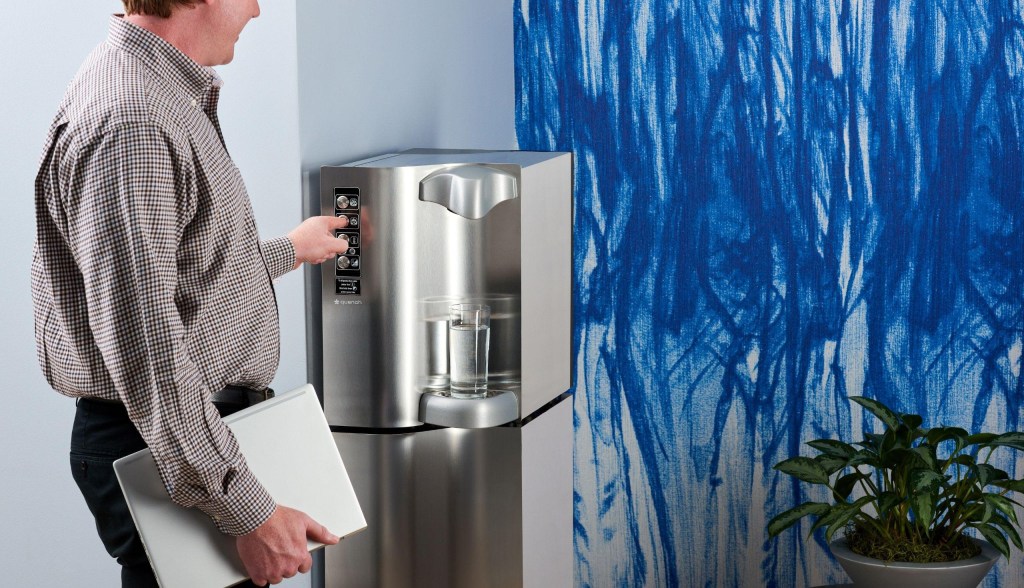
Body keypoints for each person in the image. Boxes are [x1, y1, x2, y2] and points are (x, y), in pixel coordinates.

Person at [30, 1, 350, 586]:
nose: (257, 9)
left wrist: (287, 249)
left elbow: (177, 273)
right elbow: (148, 351)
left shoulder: (158, 93)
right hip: (163, 444)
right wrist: (248, 512)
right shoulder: (133, 123)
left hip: (181, 439)